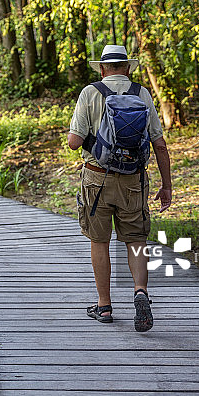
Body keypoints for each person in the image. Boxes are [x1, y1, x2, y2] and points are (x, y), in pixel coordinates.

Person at [66, 45, 172, 332]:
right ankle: (140, 291)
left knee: (99, 241)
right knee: (135, 239)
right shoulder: (142, 94)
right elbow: (159, 144)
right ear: (127, 68)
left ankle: (104, 306)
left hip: (97, 179)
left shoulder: (90, 93)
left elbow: (74, 142)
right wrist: (166, 186)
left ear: (102, 69)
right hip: (133, 181)